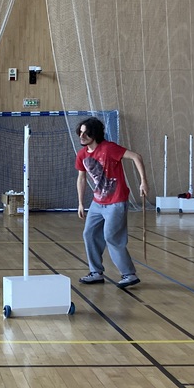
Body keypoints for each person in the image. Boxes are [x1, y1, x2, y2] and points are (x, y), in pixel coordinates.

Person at [75, 116, 148, 288]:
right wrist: (80, 203)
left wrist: (143, 181)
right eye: (80, 132)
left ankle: (129, 274)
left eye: (86, 133)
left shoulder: (109, 148)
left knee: (111, 236)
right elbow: (81, 178)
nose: (82, 136)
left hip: (116, 201)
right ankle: (96, 272)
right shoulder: (82, 154)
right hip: (97, 202)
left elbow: (136, 157)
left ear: (95, 134)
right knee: (89, 234)